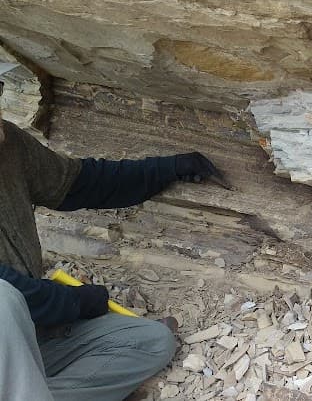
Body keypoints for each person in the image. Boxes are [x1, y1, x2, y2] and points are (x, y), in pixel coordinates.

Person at [0, 65, 227, 401]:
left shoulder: (8, 147)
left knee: (151, 342)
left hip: (27, 334)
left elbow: (78, 184)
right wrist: (73, 302)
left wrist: (166, 169)